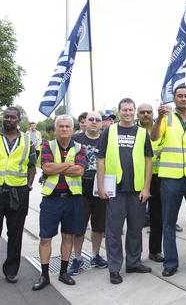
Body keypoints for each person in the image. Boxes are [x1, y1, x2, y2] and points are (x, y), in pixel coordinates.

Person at [150, 85, 186, 276]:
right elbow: (154, 137)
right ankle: (171, 263)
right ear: (174, 99)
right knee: (169, 222)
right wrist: (158, 117)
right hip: (171, 178)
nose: (183, 99)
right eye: (180, 96)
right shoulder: (165, 119)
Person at [0, 107, 36, 287]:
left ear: (19, 120)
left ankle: (11, 271)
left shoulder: (27, 140)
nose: (8, 119)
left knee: (15, 234)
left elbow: (31, 166)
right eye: (6, 116)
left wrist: (28, 186)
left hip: (18, 194)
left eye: (12, 117)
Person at [97, 98, 153, 284]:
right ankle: (114, 268)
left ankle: (133, 262)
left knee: (136, 229)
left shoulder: (143, 133)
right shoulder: (108, 131)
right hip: (116, 190)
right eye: (124, 110)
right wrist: (101, 186)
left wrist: (146, 188)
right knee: (113, 231)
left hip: (137, 190)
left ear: (135, 111)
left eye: (131, 110)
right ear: (119, 111)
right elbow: (101, 160)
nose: (128, 113)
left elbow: (148, 161)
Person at [33, 115, 86, 291]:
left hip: (72, 199)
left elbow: (79, 171)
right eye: (61, 126)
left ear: (73, 129)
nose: (64, 129)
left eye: (67, 126)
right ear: (56, 129)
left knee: (67, 237)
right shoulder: (47, 145)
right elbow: (46, 167)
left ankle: (63, 272)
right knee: (45, 238)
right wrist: (68, 164)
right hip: (51, 199)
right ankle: (45, 275)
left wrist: (58, 166)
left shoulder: (80, 147)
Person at [69, 111, 108, 276]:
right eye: (90, 119)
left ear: (101, 123)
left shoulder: (106, 140)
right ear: (84, 122)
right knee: (79, 227)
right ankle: (77, 258)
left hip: (100, 189)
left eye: (97, 120)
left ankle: (95, 254)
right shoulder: (76, 140)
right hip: (80, 190)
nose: (94, 122)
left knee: (99, 226)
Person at [137, 104, 165, 263]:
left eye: (148, 112)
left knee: (157, 217)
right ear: (138, 114)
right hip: (139, 178)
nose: (146, 114)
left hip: (159, 178)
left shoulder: (161, 129)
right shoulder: (133, 132)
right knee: (136, 219)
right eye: (142, 112)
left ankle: (155, 251)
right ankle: (135, 255)